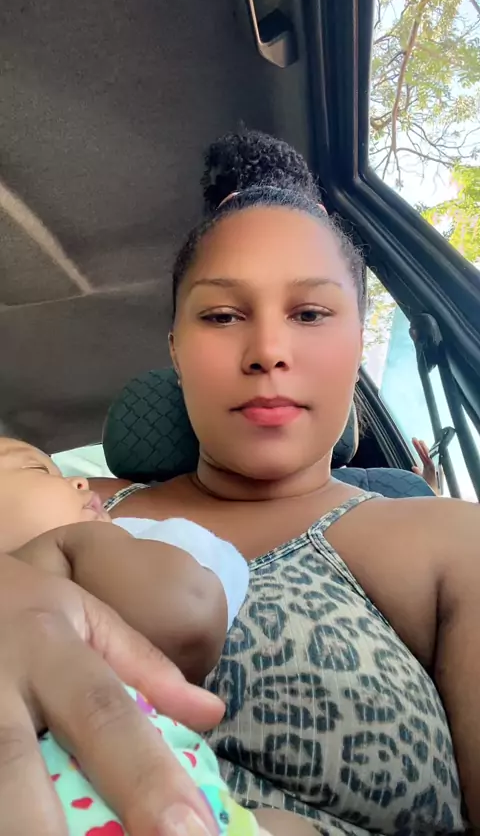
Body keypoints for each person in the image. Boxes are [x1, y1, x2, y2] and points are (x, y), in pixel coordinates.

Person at [0, 129, 478, 835]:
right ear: (175, 348)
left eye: (310, 313)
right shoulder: (49, 491)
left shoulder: (453, 540)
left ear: (358, 338)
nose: (268, 352)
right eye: (223, 315)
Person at [1, 437, 314, 835]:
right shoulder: (63, 550)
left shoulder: (67, 558)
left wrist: (94, 540)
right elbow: (184, 611)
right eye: (36, 469)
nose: (80, 482)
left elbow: (184, 615)